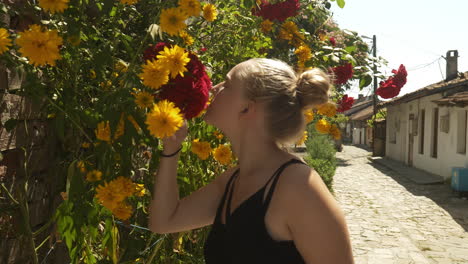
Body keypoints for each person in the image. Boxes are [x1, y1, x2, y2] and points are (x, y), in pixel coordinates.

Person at [148, 58, 355, 264]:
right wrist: (171, 149)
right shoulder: (233, 180)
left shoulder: (299, 187)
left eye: (227, 85)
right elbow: (164, 221)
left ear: (246, 109)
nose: (213, 88)